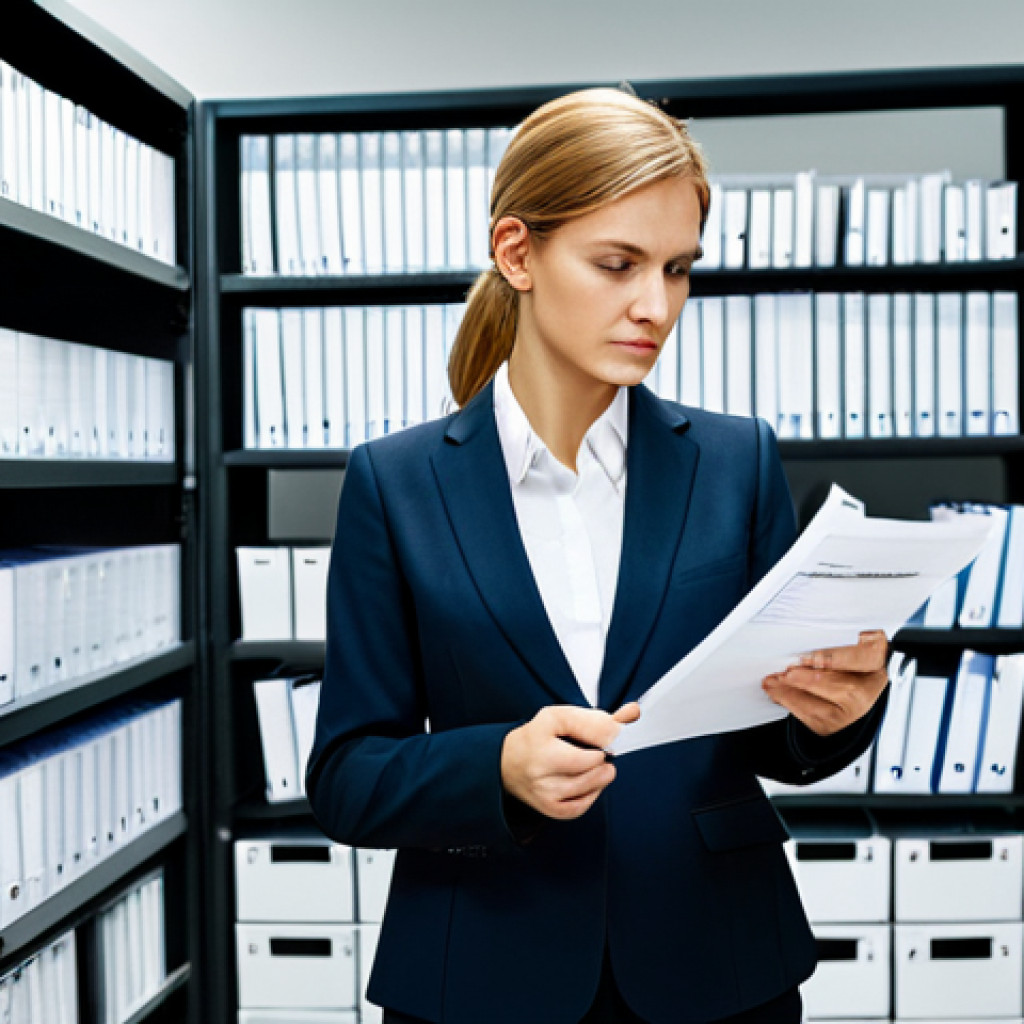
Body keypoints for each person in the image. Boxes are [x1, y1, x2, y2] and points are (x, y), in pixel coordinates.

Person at [306, 87, 889, 1024]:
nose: (655, 305)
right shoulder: (395, 482)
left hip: (718, 963)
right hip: (485, 968)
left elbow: (772, 734)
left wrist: (836, 713)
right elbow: (345, 775)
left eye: (677, 269)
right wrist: (497, 765)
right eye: (617, 264)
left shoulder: (737, 463)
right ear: (517, 253)